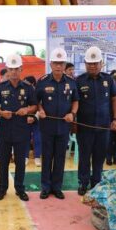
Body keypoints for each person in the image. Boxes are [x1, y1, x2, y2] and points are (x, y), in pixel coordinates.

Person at [74, 47, 116, 195]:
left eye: (95, 63)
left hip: (104, 128)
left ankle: (96, 182)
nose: (92, 66)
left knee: (99, 157)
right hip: (84, 128)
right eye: (89, 63)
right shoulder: (79, 81)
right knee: (84, 156)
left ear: (101, 63)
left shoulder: (108, 80)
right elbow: (74, 102)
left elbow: (115, 99)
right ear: (85, 64)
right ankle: (83, 182)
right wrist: (73, 121)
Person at [0, 54, 37, 201]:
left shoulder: (28, 88)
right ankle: (2, 189)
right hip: (4, 130)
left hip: (22, 130)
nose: (14, 72)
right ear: (7, 70)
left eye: (17, 69)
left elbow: (35, 105)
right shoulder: (0, 87)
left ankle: (20, 189)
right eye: (11, 69)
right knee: (3, 162)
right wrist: (1, 113)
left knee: (20, 163)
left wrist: (27, 110)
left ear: (21, 69)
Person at [35, 48, 78, 199]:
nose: (58, 66)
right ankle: (45, 187)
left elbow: (75, 101)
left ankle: (57, 187)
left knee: (60, 157)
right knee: (47, 157)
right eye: (55, 63)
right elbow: (37, 102)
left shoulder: (72, 82)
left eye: (61, 63)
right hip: (47, 126)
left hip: (63, 127)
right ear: (51, 64)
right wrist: (40, 110)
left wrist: (72, 114)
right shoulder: (42, 81)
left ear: (65, 64)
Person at [22, 75, 41, 167]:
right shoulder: (22, 92)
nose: (24, 84)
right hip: (25, 119)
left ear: (32, 83)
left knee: (37, 138)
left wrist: (34, 117)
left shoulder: (38, 92)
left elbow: (40, 106)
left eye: (26, 82)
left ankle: (37, 157)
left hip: (36, 119)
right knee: (25, 138)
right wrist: (26, 117)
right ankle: (25, 157)